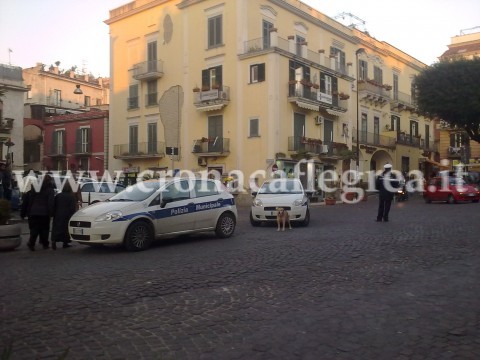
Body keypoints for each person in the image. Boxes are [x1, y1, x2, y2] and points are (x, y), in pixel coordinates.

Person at [20, 174, 55, 251]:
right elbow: (51, 202)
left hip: (33, 211)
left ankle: (31, 243)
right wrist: (51, 212)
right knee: (45, 229)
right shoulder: (50, 189)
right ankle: (45, 244)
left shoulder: (35, 188)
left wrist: (28, 211)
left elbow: (30, 200)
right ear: (50, 181)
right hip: (44, 212)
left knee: (34, 229)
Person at [51, 181, 77, 249]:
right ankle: (65, 243)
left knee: (56, 228)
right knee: (65, 229)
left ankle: (54, 241)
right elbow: (72, 208)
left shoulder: (58, 195)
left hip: (58, 214)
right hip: (67, 215)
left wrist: (53, 213)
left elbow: (54, 205)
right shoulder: (71, 196)